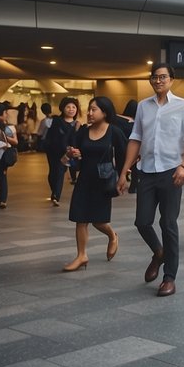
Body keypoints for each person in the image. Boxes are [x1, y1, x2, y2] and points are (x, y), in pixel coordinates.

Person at [119, 63, 184, 298]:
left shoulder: (183, 106)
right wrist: (124, 171)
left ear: (171, 80)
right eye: (155, 77)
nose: (159, 81)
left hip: (172, 170)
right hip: (147, 170)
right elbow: (136, 138)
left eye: (163, 77)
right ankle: (159, 252)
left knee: (168, 224)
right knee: (142, 221)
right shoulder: (143, 106)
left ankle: (169, 277)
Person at [61, 97, 126, 271]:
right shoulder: (82, 132)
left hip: (103, 182)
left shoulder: (114, 132)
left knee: (99, 221)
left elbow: (123, 158)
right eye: (89, 109)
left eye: (94, 109)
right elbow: (69, 155)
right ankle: (81, 255)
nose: (89, 113)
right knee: (80, 219)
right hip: (84, 180)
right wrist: (72, 153)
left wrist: (123, 178)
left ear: (104, 112)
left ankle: (112, 235)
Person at [41, 97, 81, 207]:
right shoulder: (57, 121)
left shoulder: (77, 124)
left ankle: (56, 195)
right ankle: (54, 190)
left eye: (74, 107)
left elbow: (77, 139)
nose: (71, 109)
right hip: (54, 151)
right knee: (53, 172)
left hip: (68, 153)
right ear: (63, 108)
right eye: (68, 107)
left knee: (60, 172)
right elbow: (52, 137)